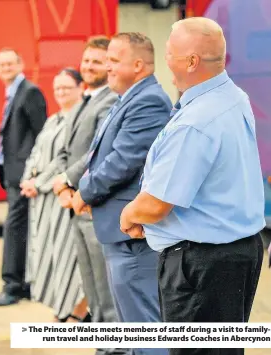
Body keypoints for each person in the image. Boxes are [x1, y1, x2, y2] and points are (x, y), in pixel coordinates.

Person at [120, 18, 265, 354]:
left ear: (191, 61)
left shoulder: (197, 122)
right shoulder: (233, 96)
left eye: (169, 53)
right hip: (236, 252)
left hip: (201, 264)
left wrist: (129, 213)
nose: (165, 61)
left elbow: (156, 205)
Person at [72, 32, 171, 355]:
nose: (108, 67)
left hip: (132, 238)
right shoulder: (127, 98)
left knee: (145, 331)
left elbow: (123, 160)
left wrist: (84, 191)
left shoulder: (149, 101)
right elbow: (100, 154)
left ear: (139, 65)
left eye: (114, 61)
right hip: (118, 233)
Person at [52, 36, 119, 328]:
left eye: (96, 61)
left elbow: (97, 151)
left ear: (110, 65)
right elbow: (67, 150)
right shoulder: (85, 100)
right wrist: (65, 185)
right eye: (86, 60)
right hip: (77, 206)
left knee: (106, 289)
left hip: (96, 207)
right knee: (91, 286)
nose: (89, 66)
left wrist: (68, 180)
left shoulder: (112, 101)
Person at [20, 68, 88, 322]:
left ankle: (77, 311)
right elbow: (37, 152)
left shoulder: (80, 119)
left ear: (80, 88)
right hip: (43, 199)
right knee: (52, 253)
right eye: (57, 88)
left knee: (68, 254)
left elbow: (65, 160)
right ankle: (61, 308)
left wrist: (40, 183)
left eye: (66, 88)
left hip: (63, 196)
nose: (60, 93)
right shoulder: (53, 120)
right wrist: (28, 179)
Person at [0, 48, 47, 307]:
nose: (6, 67)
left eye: (11, 63)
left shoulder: (29, 92)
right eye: (2, 64)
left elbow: (41, 135)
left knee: (13, 226)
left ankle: (11, 285)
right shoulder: (13, 92)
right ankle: (23, 284)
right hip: (12, 172)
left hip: (24, 174)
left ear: (21, 64)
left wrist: (32, 172)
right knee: (21, 226)